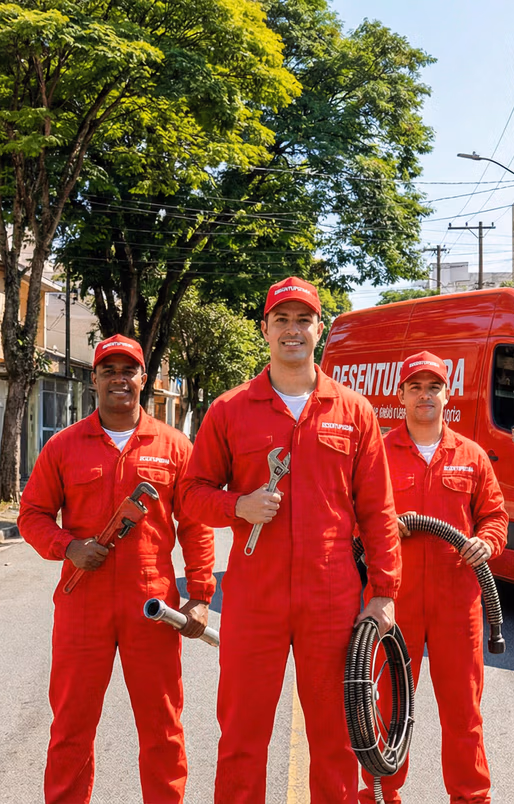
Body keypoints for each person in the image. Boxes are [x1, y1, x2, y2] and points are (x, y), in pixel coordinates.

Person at [179, 276, 402, 802]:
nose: (293, 330)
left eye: (303, 319)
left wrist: (385, 592)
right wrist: (238, 505)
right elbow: (190, 494)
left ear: (319, 329)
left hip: (331, 598)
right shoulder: (229, 410)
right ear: (265, 330)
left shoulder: (355, 412)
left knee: (336, 741)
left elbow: (378, 511)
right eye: (281, 319)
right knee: (241, 739)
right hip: (256, 599)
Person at [19, 334, 215, 804]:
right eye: (109, 371)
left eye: (128, 371)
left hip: (152, 603)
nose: (119, 380)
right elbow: (32, 515)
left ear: (143, 380)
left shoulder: (173, 446)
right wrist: (68, 547)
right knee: (71, 727)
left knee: (162, 726)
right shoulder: (65, 446)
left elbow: (197, 524)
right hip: (82, 599)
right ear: (94, 380)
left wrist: (202, 595)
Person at [360, 351, 508, 804]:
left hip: (456, 604)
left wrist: (486, 541)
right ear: (400, 395)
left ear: (448, 395)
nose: (425, 395)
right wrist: (386, 527)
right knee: (388, 709)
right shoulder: (377, 454)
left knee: (464, 713)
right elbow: (351, 518)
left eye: (434, 387)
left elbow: (496, 517)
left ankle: (471, 799)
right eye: (416, 387)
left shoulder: (471, 455)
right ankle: (382, 796)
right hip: (394, 603)